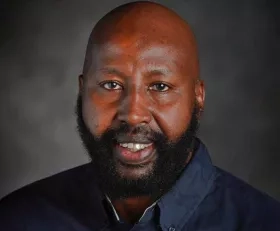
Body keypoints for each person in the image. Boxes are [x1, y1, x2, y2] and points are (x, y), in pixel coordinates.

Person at [0, 1, 279, 230]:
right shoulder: (16, 219)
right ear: (83, 91)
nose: (133, 115)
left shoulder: (265, 223)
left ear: (198, 97)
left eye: (160, 87)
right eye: (111, 85)